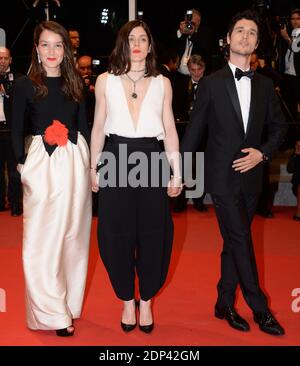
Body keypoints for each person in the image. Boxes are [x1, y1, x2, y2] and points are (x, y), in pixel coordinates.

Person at [180, 10, 287, 335]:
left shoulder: (267, 85)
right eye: (239, 30)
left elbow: (281, 128)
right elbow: (195, 131)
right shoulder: (211, 84)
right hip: (222, 177)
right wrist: (180, 171)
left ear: (256, 43)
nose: (245, 36)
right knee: (240, 237)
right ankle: (260, 308)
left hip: (253, 175)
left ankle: (223, 302)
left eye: (252, 33)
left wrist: (262, 152)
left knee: (232, 240)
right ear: (228, 39)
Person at [90, 20, 182, 333]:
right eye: (132, 38)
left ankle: (146, 301)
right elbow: (99, 126)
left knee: (154, 234)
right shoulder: (105, 80)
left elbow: (169, 129)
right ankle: (127, 300)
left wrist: (177, 172)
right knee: (114, 234)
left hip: (152, 159)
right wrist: (93, 167)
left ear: (150, 45)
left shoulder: (163, 83)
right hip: (115, 157)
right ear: (122, 44)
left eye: (144, 38)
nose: (138, 44)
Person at [11, 21, 92, 337]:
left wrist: (89, 167)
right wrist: (21, 166)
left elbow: (83, 127)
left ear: (67, 50)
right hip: (41, 165)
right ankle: (51, 312)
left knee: (73, 238)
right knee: (42, 239)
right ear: (36, 48)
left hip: (75, 163)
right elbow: (16, 128)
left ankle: (66, 304)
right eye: (45, 44)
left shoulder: (76, 85)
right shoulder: (23, 85)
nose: (52, 51)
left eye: (57, 45)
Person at [173, 54, 207, 213]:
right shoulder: (180, 85)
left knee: (200, 167)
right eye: (193, 70)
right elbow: (175, 106)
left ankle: (199, 200)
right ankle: (181, 200)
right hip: (184, 131)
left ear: (204, 69)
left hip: (203, 132)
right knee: (182, 166)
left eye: (199, 70)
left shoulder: (210, 85)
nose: (196, 73)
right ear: (188, 69)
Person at [0, 47, 22, 216]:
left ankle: (15, 203)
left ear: (10, 60)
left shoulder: (18, 80)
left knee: (14, 169)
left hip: (11, 130)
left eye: (5, 58)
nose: (2, 61)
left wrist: (6, 93)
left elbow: (22, 105)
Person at [280, 9, 300, 120]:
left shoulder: (294, 34)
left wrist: (286, 37)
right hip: (288, 73)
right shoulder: (290, 32)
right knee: (289, 106)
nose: (295, 21)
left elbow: (296, 49)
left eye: (298, 18)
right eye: (293, 19)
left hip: (298, 74)